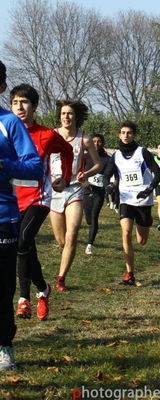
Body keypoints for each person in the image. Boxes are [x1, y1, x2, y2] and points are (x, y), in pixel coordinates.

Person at [10, 84, 74, 321]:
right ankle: (43, 290)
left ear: (34, 105)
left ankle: (24, 299)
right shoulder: (5, 131)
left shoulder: (46, 134)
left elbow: (67, 152)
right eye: (15, 102)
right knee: (26, 247)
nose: (19, 107)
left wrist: (65, 179)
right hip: (12, 199)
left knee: (22, 242)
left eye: (24, 102)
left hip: (39, 198)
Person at [0, 61, 43, 370]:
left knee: (1, 288)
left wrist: (5, 164)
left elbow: (34, 167)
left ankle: (4, 345)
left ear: (1, 87)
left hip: (3, 217)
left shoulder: (9, 123)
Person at [50, 100, 102, 291]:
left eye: (70, 113)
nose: (66, 117)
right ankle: (66, 257)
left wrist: (86, 174)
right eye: (63, 113)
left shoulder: (84, 139)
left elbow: (99, 165)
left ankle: (61, 278)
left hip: (75, 189)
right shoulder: (51, 135)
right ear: (59, 116)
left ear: (76, 117)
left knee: (72, 235)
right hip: (55, 191)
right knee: (62, 241)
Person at [104, 120, 160, 285]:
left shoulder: (142, 152)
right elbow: (105, 175)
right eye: (123, 133)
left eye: (129, 133)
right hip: (126, 199)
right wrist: (108, 186)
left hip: (143, 200)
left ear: (134, 135)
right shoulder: (116, 156)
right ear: (119, 135)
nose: (126, 136)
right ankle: (129, 274)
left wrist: (149, 189)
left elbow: (159, 174)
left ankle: (147, 222)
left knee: (141, 241)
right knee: (125, 233)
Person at [83, 134, 112, 255]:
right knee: (89, 220)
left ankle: (89, 244)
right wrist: (83, 181)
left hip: (99, 192)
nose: (96, 144)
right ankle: (90, 230)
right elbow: (79, 171)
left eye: (99, 141)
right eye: (94, 141)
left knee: (94, 217)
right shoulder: (84, 157)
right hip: (86, 190)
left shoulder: (107, 159)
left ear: (103, 143)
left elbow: (108, 175)